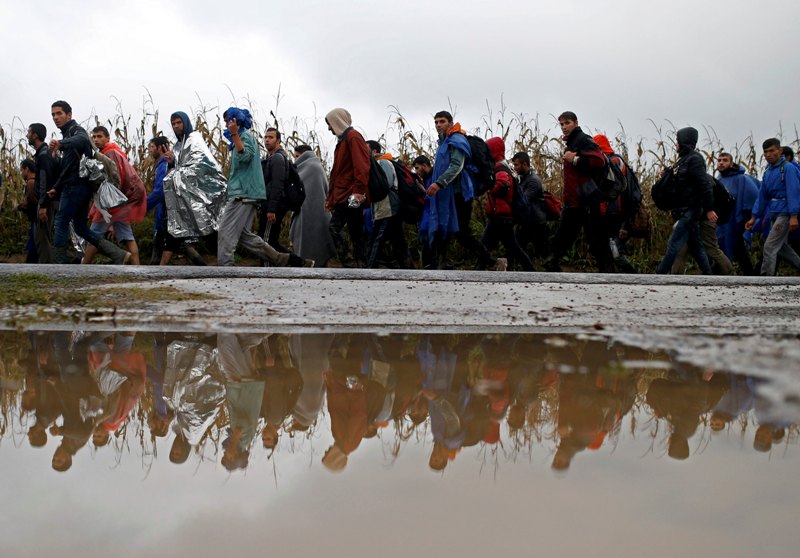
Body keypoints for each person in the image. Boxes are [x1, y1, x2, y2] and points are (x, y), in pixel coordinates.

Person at [216, 107, 313, 267]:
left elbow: (245, 156)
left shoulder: (245, 137)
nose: (227, 124)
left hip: (243, 195)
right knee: (244, 236)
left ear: (237, 120)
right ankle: (284, 260)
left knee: (225, 231)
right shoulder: (240, 139)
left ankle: (225, 267)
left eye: (229, 120)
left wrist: (234, 135)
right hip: (245, 194)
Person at [46, 100, 131, 265]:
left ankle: (59, 265)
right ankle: (119, 255)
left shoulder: (75, 130)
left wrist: (61, 143)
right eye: (53, 115)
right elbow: (69, 167)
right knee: (80, 227)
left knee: (61, 221)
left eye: (59, 114)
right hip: (79, 188)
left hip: (75, 188)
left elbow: (82, 139)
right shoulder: (68, 135)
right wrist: (56, 188)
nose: (55, 117)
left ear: (69, 115)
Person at [424, 111, 504, 271]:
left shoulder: (456, 140)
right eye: (436, 122)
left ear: (450, 123)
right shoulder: (443, 143)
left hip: (459, 194)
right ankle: (441, 263)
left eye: (442, 122)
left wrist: (438, 183)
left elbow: (457, 165)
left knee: (461, 232)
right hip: (447, 195)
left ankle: (491, 262)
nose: (438, 125)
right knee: (442, 227)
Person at [545, 112, 611, 272]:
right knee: (567, 235)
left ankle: (608, 272)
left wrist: (574, 159)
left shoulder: (582, 139)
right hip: (576, 201)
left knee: (594, 238)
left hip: (586, 200)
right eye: (561, 124)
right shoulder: (573, 142)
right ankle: (552, 264)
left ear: (575, 123)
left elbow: (599, 161)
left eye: (567, 123)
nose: (563, 127)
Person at [82, 126, 147, 265]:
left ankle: (83, 267)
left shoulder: (110, 153)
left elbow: (117, 178)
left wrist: (110, 202)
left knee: (94, 235)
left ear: (107, 138)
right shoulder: (113, 152)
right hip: (119, 203)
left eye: (99, 136)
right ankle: (137, 269)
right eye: (94, 137)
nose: (96, 139)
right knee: (127, 236)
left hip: (112, 202)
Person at [163, 111, 226, 252]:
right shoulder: (178, 145)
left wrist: (175, 174)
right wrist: (172, 163)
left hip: (206, 190)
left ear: (185, 122)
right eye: (173, 123)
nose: (176, 126)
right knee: (205, 228)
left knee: (212, 226)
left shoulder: (194, 139)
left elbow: (201, 165)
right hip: (190, 193)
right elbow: (182, 165)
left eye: (179, 122)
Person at [655, 127, 714, 275]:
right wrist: (668, 174)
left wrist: (709, 208)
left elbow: (704, 184)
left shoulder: (694, 159)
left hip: (691, 209)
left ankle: (659, 275)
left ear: (684, 141)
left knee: (674, 243)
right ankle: (709, 275)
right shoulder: (684, 160)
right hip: (685, 209)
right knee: (696, 246)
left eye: (677, 141)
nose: (676, 144)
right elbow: (683, 183)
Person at [745, 138, 800, 275]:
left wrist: (793, 215)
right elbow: (762, 196)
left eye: (772, 151)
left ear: (780, 151)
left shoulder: (788, 169)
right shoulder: (768, 172)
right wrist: (754, 217)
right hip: (773, 212)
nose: (768, 154)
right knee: (781, 247)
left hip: (785, 213)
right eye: (765, 152)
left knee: (769, 247)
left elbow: (793, 192)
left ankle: (766, 279)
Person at [324, 108, 370, 267]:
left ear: (337, 121)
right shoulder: (344, 140)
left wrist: (358, 191)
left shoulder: (353, 137)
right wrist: (331, 199)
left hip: (351, 194)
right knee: (355, 230)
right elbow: (338, 173)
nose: (329, 128)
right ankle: (361, 264)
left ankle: (350, 262)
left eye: (330, 123)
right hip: (346, 194)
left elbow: (362, 167)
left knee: (335, 227)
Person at [482, 137, 534, 271]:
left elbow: (502, 185)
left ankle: (483, 267)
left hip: (500, 216)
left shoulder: (500, 169)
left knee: (487, 245)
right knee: (511, 246)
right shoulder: (503, 167)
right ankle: (529, 269)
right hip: (502, 216)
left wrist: (489, 187)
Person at [289, 145, 337, 267]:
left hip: (310, 214)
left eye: (297, 156)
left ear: (304, 155)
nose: (296, 160)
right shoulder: (317, 166)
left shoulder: (310, 167)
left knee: (308, 243)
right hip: (319, 214)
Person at [365, 140, 410, 268]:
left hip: (387, 206)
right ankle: (407, 267)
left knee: (376, 237)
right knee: (397, 239)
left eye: (365, 148)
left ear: (374, 151)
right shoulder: (377, 163)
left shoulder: (382, 162)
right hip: (385, 206)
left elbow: (386, 183)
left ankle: (369, 266)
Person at [715, 152, 759, 275]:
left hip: (737, 221)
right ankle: (724, 272)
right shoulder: (719, 180)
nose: (721, 163)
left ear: (731, 163)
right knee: (725, 246)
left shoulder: (742, 179)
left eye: (725, 160)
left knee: (737, 246)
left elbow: (754, 197)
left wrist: (747, 217)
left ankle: (748, 273)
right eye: (719, 160)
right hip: (722, 222)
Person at [28, 123, 59, 263]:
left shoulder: (43, 155)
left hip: (47, 202)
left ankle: (47, 271)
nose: (27, 135)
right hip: (49, 201)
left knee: (42, 238)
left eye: (29, 132)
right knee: (43, 237)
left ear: (35, 135)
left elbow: (45, 181)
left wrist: (43, 205)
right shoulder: (44, 153)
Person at [511, 151, 550, 264]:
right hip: (528, 222)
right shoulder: (524, 178)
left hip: (536, 223)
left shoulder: (533, 181)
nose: (515, 167)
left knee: (544, 252)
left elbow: (524, 200)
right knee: (519, 248)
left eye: (517, 165)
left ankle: (555, 273)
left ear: (525, 164)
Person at [259, 127, 290, 251]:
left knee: (265, 242)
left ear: (278, 141)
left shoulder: (277, 158)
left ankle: (266, 269)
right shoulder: (271, 157)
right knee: (270, 241)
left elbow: (277, 185)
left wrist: (271, 209)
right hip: (271, 205)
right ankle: (298, 263)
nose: (266, 140)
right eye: (265, 137)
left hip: (273, 207)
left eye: (270, 137)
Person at [17, 159, 39, 263]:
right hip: (36, 218)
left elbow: (33, 201)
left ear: (27, 169)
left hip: (36, 218)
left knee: (34, 244)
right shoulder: (36, 181)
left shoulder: (31, 182)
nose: (21, 173)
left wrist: (21, 206)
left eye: (22, 170)